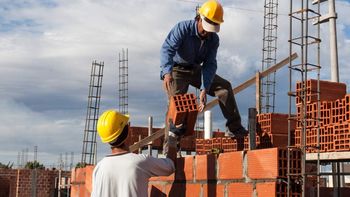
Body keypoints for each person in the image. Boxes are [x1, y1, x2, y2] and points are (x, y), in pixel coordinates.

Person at [160, 0, 247, 138]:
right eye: (207, 27)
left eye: (212, 28)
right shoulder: (182, 28)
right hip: (177, 70)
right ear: (200, 19)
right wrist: (167, 72)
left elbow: (210, 64)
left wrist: (204, 88)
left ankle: (234, 128)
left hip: (195, 69)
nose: (207, 33)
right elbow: (167, 49)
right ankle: (169, 149)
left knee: (224, 88)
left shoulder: (213, 39)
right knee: (176, 106)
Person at [91, 110, 177, 197]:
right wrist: (172, 136)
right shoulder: (140, 162)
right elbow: (170, 166)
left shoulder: (99, 168)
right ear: (128, 130)